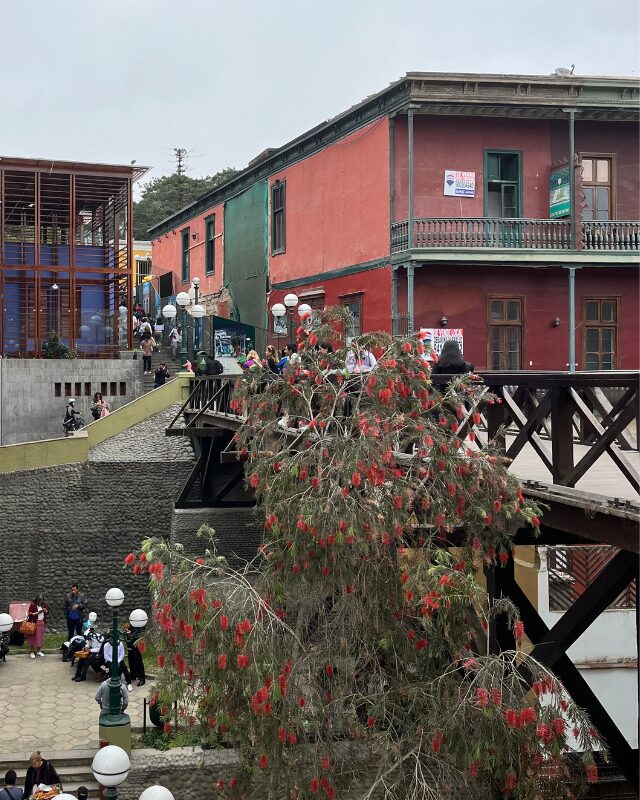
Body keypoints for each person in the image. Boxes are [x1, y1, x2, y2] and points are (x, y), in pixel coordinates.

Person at [26, 595, 49, 659]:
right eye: (39, 600)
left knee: (40, 637)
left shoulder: (44, 605)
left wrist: (45, 611)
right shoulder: (33, 605)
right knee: (32, 637)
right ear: (37, 599)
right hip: (34, 623)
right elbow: (31, 614)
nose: (40, 601)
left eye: (42, 600)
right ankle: (32, 652)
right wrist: (40, 611)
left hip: (41, 622)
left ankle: (39, 651)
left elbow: (47, 613)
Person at [123, 623, 146, 687]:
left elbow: (134, 640)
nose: (125, 630)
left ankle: (142, 679)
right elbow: (128, 641)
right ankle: (133, 675)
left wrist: (129, 634)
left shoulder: (134, 632)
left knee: (138, 664)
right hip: (130, 650)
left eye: (126, 628)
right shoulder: (127, 632)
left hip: (136, 650)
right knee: (131, 663)